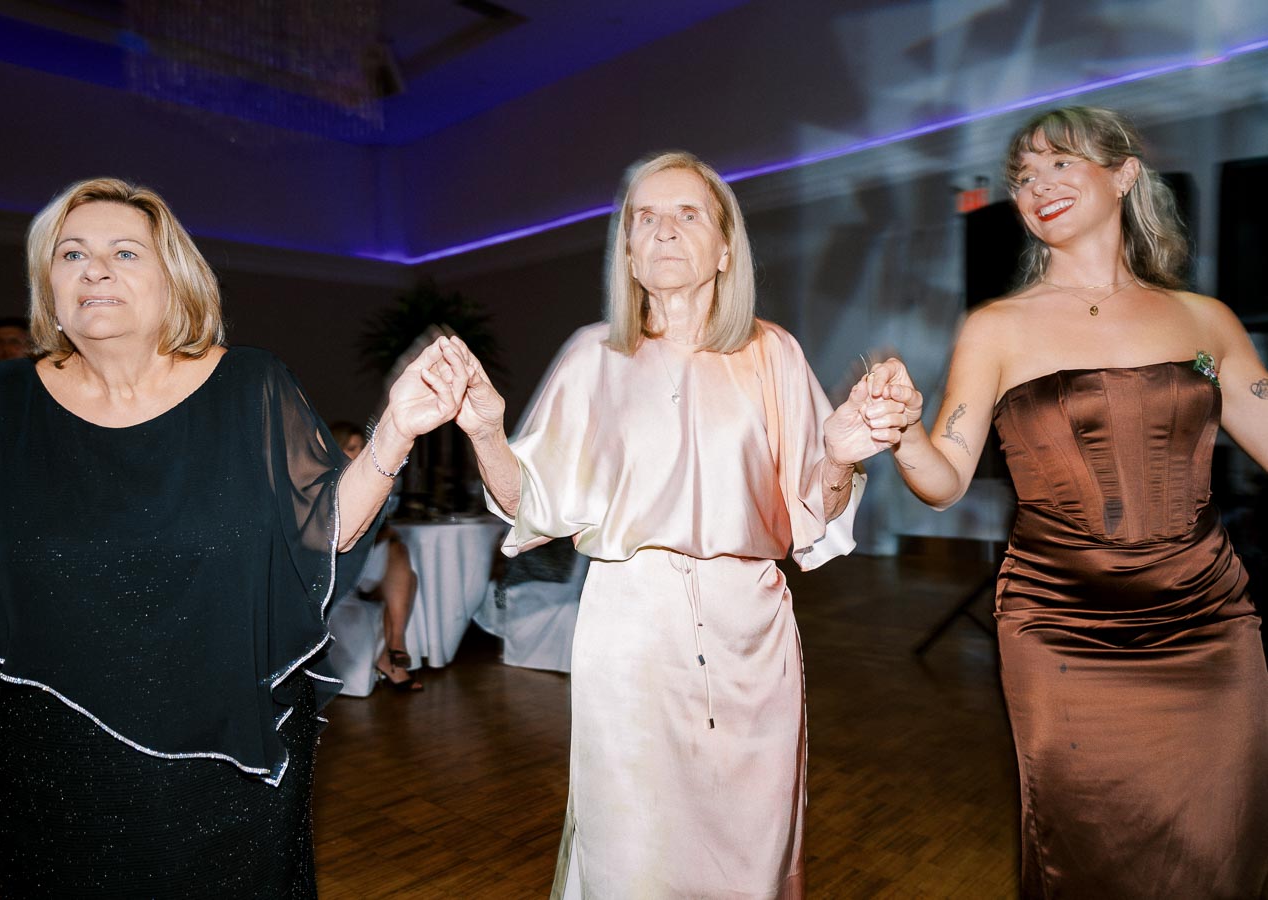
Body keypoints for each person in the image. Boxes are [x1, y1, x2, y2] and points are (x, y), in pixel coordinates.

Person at [0, 177, 463, 897]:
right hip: (57, 761)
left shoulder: (249, 387)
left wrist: (393, 434)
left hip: (228, 755)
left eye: (124, 252)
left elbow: (323, 530)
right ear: (47, 283)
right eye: (71, 254)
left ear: (174, 277)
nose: (95, 269)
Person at [441, 151, 908, 897]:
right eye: (644, 218)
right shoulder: (594, 356)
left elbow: (812, 514)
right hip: (630, 631)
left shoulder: (772, 352)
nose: (662, 230)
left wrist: (842, 459)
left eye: (686, 214)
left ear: (726, 248)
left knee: (753, 848)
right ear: (626, 250)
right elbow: (532, 503)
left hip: (752, 630)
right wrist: (489, 434)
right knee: (632, 849)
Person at [865, 107, 1268, 897]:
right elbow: (944, 479)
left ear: (1123, 176)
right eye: (1023, 177)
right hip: (1063, 628)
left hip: (1210, 627)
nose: (1037, 186)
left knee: (1219, 846)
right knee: (1086, 850)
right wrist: (904, 431)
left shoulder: (1204, 322)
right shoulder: (997, 329)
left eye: (1059, 164)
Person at [329, 420, 423, 692]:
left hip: (367, 564)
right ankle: (393, 652)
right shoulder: (327, 483)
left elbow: (381, 529)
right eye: (351, 448)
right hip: (338, 566)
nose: (359, 454)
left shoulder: (371, 482)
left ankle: (393, 648)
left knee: (399, 554)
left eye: (361, 448)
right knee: (404, 566)